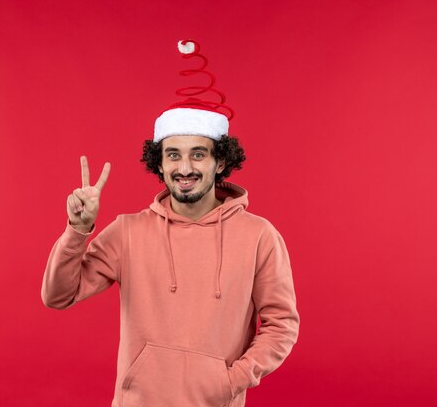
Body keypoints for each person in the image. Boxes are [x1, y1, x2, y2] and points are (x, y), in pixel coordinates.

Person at [41, 40, 299, 407]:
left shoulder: (260, 235)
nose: (185, 168)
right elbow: (57, 296)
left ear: (220, 162)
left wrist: (230, 382)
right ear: (159, 164)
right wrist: (77, 231)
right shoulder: (128, 232)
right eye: (173, 155)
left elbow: (282, 326)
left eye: (199, 154)